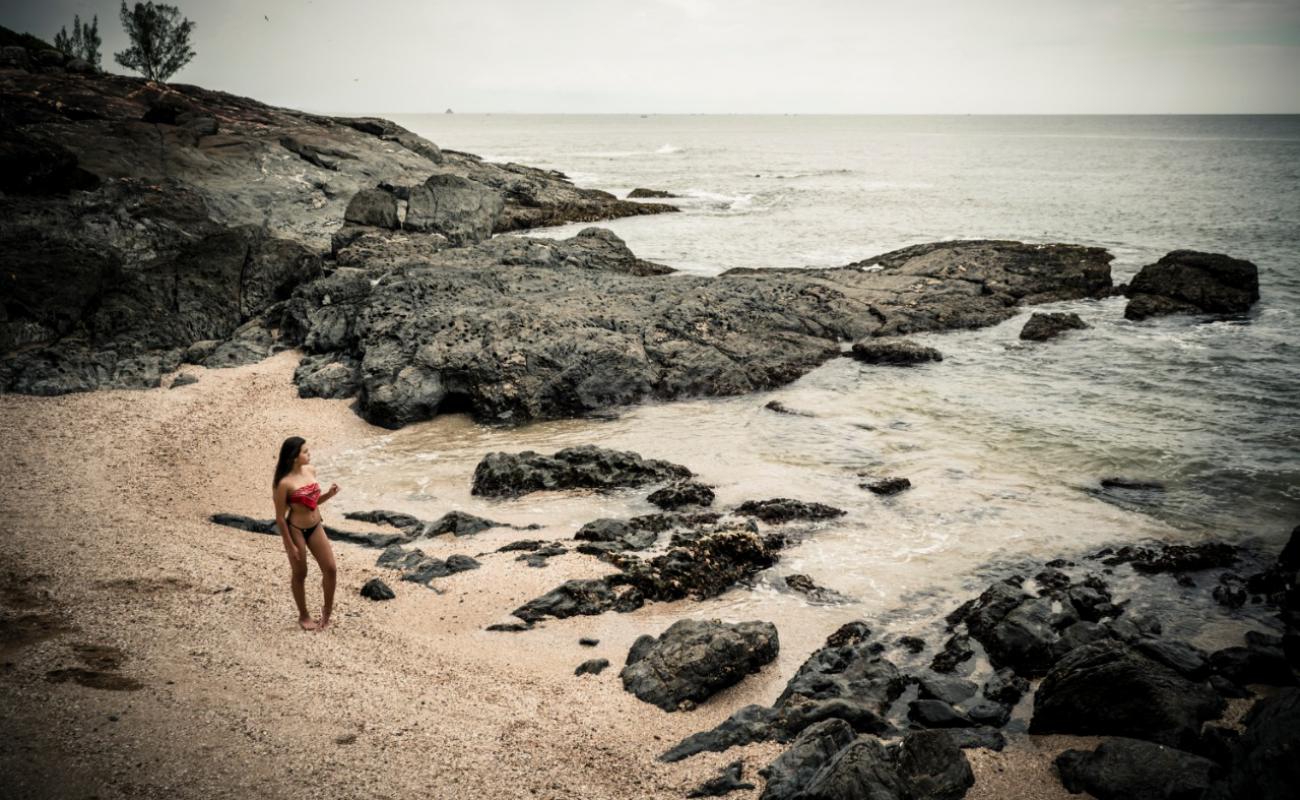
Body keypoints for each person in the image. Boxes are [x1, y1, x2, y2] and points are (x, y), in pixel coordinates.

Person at [271, 436, 340, 631]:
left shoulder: (311, 470)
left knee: (331, 569)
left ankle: (327, 612)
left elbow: (312, 503)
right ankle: (303, 615)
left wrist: (328, 494)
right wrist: (289, 545)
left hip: (316, 526)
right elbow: (280, 518)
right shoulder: (283, 483)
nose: (309, 454)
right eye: (305, 452)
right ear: (294, 456)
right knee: (301, 573)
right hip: (296, 531)